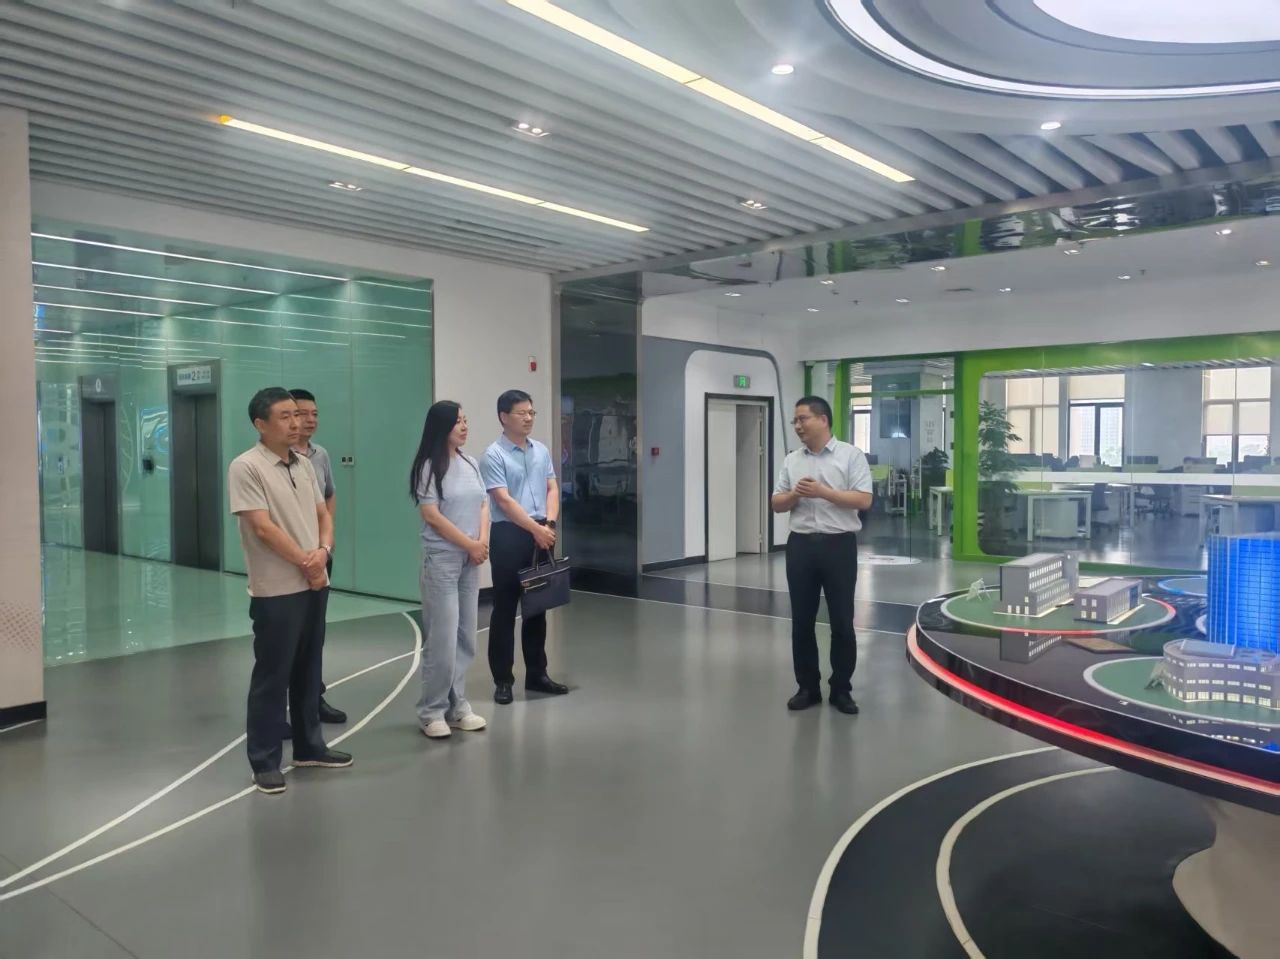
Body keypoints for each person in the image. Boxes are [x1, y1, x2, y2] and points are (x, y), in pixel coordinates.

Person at [229, 387, 352, 795]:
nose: (296, 423)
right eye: (285, 416)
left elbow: (323, 514)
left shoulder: (303, 464)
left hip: (314, 579)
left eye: (296, 415)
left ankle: (310, 746)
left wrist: (324, 553)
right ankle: (264, 760)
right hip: (277, 588)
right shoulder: (246, 467)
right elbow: (262, 528)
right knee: (272, 676)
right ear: (260, 424)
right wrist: (306, 561)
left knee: (308, 669)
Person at [771, 396, 873, 715]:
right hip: (800, 547)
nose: (797, 426)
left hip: (838, 546)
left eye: (803, 419)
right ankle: (807, 688)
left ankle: (841, 690)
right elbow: (776, 503)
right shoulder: (792, 460)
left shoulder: (851, 456)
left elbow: (864, 499)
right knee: (802, 621)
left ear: (823, 420)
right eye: (795, 421)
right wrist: (794, 494)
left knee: (842, 620)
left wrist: (822, 492)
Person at [481, 390, 567, 704]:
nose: (529, 418)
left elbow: (552, 488)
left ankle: (537, 675)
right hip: (510, 535)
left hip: (543, 532)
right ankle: (503, 680)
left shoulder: (540, 450)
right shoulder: (493, 455)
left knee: (537, 608)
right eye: (522, 413)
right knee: (505, 609)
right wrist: (536, 529)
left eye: (531, 412)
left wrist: (550, 525)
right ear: (504, 417)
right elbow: (503, 500)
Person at [409, 401, 489, 738]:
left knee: (465, 634)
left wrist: (481, 541)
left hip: (470, 559)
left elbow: (483, 504)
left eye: (465, 420)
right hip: (442, 559)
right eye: (458, 422)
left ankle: (458, 707)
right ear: (441, 427)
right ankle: (432, 711)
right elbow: (432, 516)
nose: (464, 426)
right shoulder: (429, 467)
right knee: (442, 636)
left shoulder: (470, 462)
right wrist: (469, 544)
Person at [289, 388, 346, 726]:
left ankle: (313, 698)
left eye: (314, 414)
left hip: (320, 554)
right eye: (301, 413)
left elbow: (329, 496)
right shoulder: (271, 460)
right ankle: (282, 708)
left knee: (314, 632)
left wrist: (327, 540)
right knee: (288, 636)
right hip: (290, 559)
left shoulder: (319, 455)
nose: (310, 420)